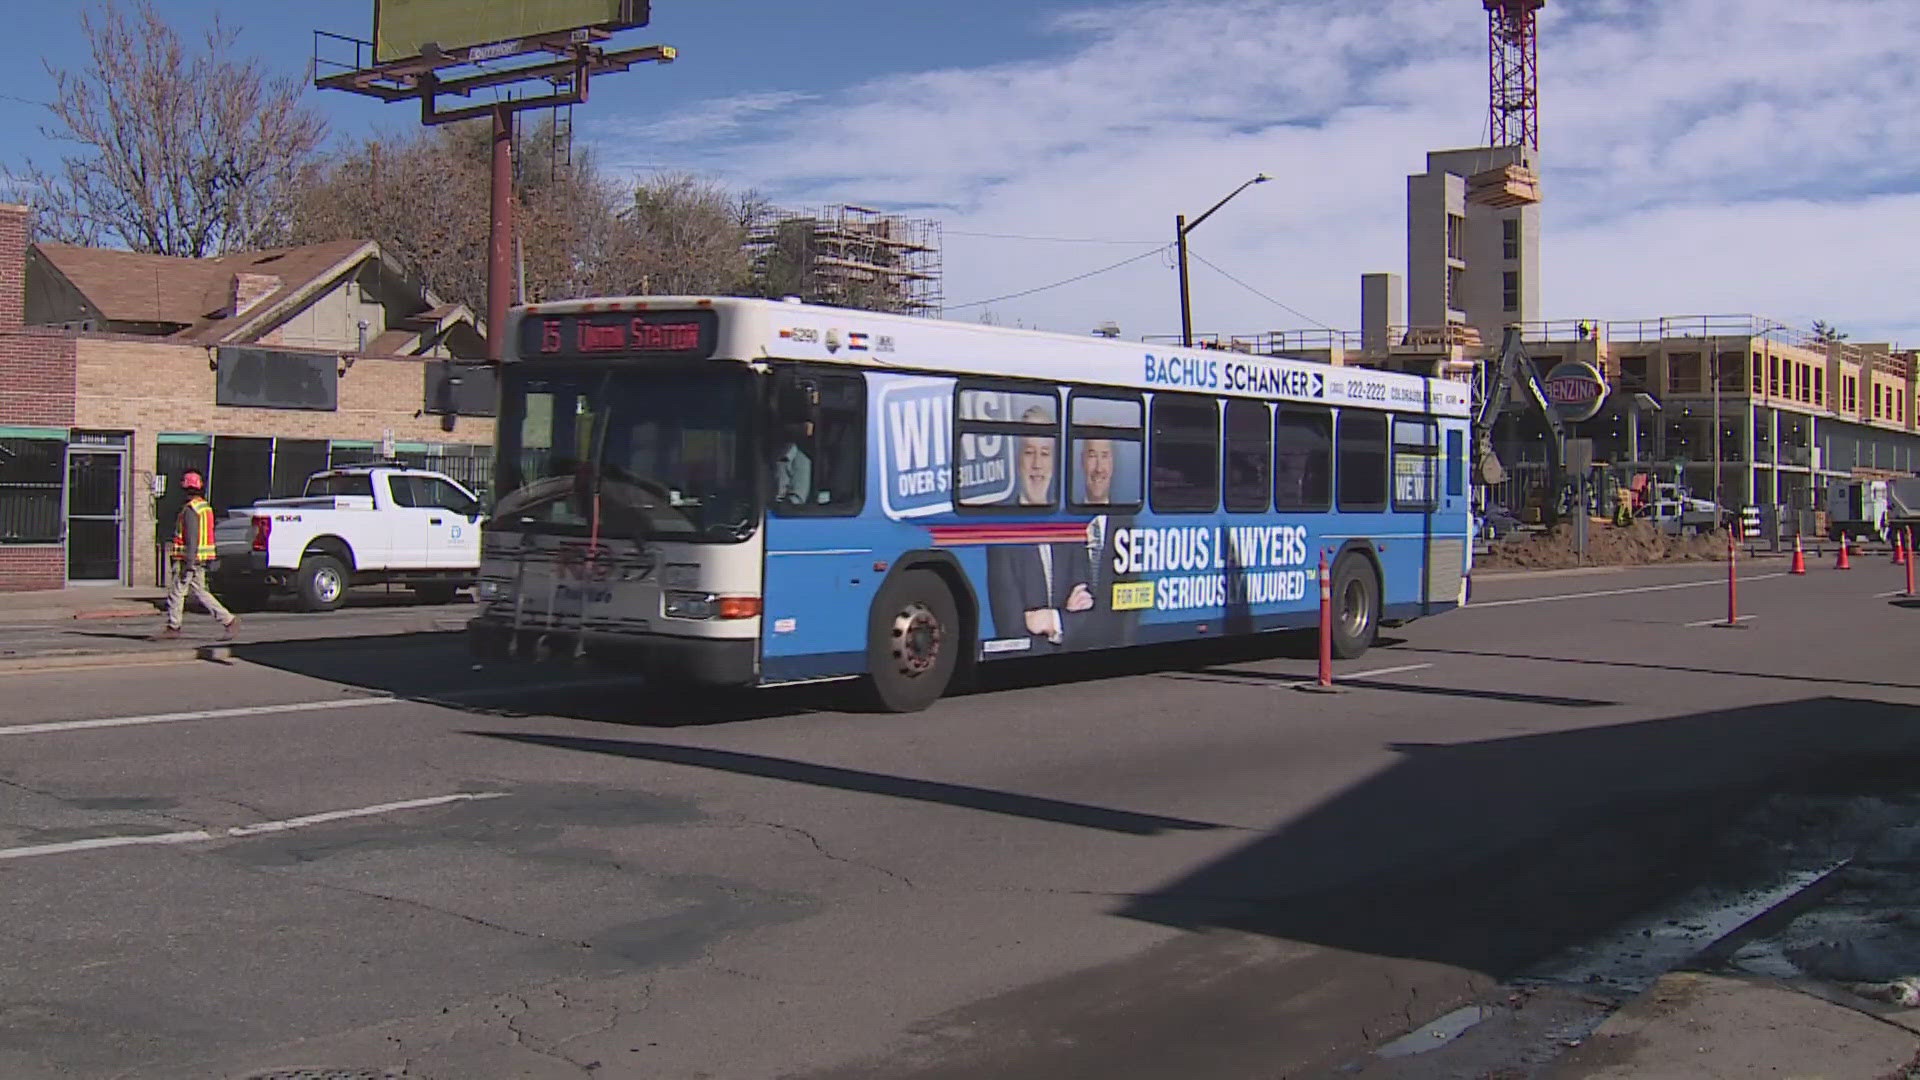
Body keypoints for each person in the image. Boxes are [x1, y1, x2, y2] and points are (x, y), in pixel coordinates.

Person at [986, 416, 1091, 651]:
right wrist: (1065, 620)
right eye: (1028, 452)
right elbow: (1011, 628)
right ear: (1017, 460)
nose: (1037, 464)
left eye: (1045, 454)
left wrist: (1050, 620)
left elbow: (1088, 617)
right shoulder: (1000, 531)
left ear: (1054, 462)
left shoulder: (1070, 528)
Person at [1069, 437, 1140, 650]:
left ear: (1113, 464)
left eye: (1105, 456)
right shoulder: (1066, 525)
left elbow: (1132, 595)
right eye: (1092, 456)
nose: (1098, 468)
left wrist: (1126, 647)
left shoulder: (1128, 525)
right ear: (1081, 462)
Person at [163, 471, 237, 639]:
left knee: (177, 591)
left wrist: (188, 562)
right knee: (201, 592)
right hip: (201, 558)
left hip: (188, 559)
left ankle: (173, 626)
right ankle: (228, 620)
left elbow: (192, 537)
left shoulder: (190, 509)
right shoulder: (205, 507)